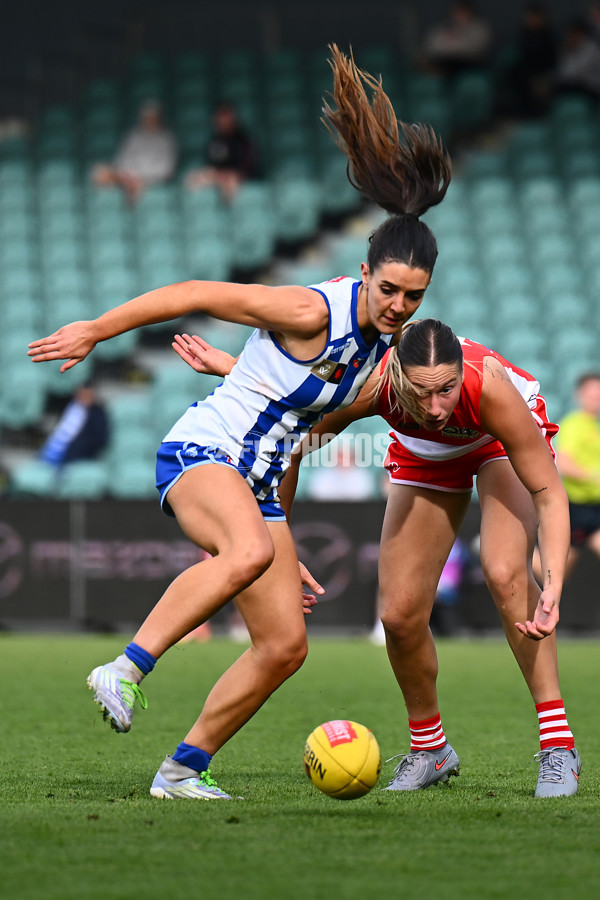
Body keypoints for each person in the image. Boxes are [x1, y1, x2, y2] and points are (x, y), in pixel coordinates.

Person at [27, 46, 451, 801]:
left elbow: (295, 432)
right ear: (366, 272)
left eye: (413, 298)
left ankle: (181, 772)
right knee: (249, 550)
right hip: (203, 451)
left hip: (255, 479)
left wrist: (281, 532)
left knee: (286, 645)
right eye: (390, 289)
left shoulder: (376, 359)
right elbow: (192, 289)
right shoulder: (309, 310)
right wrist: (97, 329)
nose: (400, 307)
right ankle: (124, 667)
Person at [272, 319, 578, 798]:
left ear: (460, 372)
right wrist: (282, 547)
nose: (436, 407)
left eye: (447, 390)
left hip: (494, 443)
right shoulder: (370, 383)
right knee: (397, 614)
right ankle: (430, 748)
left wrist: (554, 581)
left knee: (505, 572)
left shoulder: (490, 385)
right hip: (425, 455)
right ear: (398, 379)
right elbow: (290, 446)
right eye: (421, 393)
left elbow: (548, 493)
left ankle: (558, 746)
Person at [549, 372, 600, 578]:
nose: (596, 397)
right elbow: (564, 464)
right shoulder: (573, 424)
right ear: (579, 395)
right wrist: (594, 476)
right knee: (560, 569)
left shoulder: (593, 426)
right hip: (577, 507)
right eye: (592, 393)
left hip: (595, 506)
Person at [91, 99, 178, 203]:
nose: (149, 121)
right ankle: (104, 206)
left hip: (151, 180)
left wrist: (140, 177)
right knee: (101, 173)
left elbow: (166, 169)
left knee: (137, 187)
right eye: (146, 118)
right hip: (128, 177)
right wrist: (129, 174)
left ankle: (132, 211)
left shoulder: (167, 139)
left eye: (152, 118)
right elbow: (122, 160)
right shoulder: (133, 136)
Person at [184, 102, 259, 203]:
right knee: (191, 178)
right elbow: (211, 163)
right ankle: (198, 212)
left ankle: (230, 214)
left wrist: (231, 174)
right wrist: (217, 174)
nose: (224, 121)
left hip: (236, 177)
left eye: (226, 116)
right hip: (218, 175)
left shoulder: (244, 140)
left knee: (231, 183)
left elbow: (248, 167)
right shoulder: (215, 140)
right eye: (221, 117)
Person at [38, 384, 110, 468]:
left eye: (87, 395)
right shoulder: (69, 407)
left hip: (78, 457)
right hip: (54, 451)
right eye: (82, 395)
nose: (84, 398)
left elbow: (100, 438)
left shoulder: (98, 414)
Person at [420, 0, 494, 79]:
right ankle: (438, 75)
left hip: (469, 62)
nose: (459, 15)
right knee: (423, 60)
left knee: (449, 64)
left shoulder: (480, 28)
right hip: (446, 60)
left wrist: (455, 44)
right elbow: (431, 46)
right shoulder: (446, 28)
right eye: (457, 12)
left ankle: (441, 76)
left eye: (463, 12)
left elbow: (476, 50)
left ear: (470, 12)